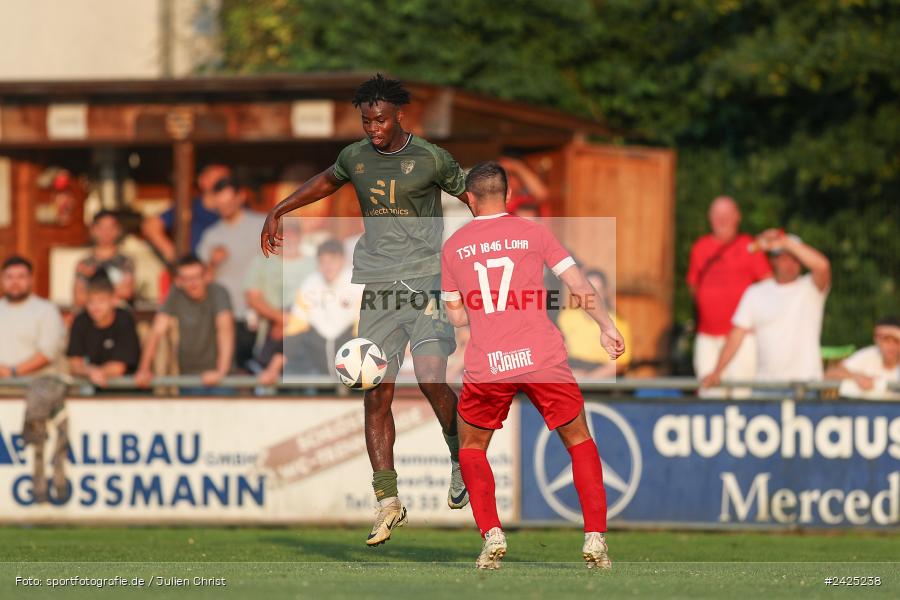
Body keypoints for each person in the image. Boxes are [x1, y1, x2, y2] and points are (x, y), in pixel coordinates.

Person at [260, 74, 470, 546]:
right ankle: (387, 501)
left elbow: (473, 197)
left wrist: (489, 247)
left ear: (399, 116)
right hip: (378, 287)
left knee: (431, 377)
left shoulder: (431, 158)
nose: (373, 128)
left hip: (426, 283)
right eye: (366, 121)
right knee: (374, 392)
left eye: (380, 120)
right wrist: (280, 209)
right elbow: (325, 181)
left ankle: (460, 456)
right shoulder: (354, 157)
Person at [441, 162, 625, 570]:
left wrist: (478, 310)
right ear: (507, 196)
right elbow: (578, 284)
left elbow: (456, 318)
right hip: (542, 357)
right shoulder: (534, 232)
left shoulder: (453, 247)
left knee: (471, 447)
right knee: (578, 439)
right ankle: (595, 537)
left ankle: (492, 533)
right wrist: (606, 326)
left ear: (469, 199)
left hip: (489, 362)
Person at [702, 230, 831, 387]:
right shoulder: (755, 293)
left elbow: (822, 266)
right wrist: (717, 371)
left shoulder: (810, 288)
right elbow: (736, 335)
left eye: (795, 259)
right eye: (785, 258)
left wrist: (784, 242)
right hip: (766, 386)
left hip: (805, 385)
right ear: (774, 260)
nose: (791, 264)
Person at [687, 196, 771, 382]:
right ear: (710, 218)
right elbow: (693, 285)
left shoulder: (750, 247)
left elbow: (768, 286)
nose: (722, 220)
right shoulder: (700, 247)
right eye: (717, 215)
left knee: (741, 391)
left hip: (742, 338)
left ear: (737, 217)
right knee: (707, 389)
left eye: (727, 215)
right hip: (707, 336)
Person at [135, 255, 234, 393]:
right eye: (186, 279)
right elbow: (156, 331)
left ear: (207, 276)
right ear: (178, 281)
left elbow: (225, 329)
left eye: (196, 277)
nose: (193, 283)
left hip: (221, 378)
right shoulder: (175, 294)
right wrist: (144, 369)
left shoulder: (218, 292)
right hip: (187, 377)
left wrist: (221, 372)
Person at [197, 177, 267, 371]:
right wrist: (212, 263)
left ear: (240, 197)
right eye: (220, 204)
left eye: (228, 202)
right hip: (226, 314)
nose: (224, 208)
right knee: (232, 369)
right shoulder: (211, 235)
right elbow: (201, 279)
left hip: (260, 312)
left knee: (260, 368)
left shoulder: (262, 224)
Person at [245, 217, 317, 382]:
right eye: (284, 235)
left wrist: (289, 321)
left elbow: (319, 297)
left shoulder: (313, 263)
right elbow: (252, 297)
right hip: (270, 330)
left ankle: (268, 366)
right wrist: (280, 319)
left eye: (294, 234)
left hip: (305, 332)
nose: (289, 239)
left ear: (300, 237)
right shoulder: (262, 261)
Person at [282, 239, 362, 376]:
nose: (328, 266)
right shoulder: (309, 285)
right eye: (323, 261)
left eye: (333, 260)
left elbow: (363, 330)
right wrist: (275, 366)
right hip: (317, 365)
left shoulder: (358, 286)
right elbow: (295, 329)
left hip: (354, 365)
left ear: (343, 260)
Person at [141, 164, 227, 263]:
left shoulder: (235, 211)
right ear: (202, 181)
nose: (220, 183)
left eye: (225, 179)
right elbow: (150, 226)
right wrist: (175, 256)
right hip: (196, 269)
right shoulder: (189, 207)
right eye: (215, 178)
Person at [67, 274, 141, 387]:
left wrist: (96, 373)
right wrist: (90, 372)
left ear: (114, 300)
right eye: (91, 302)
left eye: (101, 301)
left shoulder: (124, 319)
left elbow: (119, 368)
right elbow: (74, 365)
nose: (95, 307)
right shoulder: (80, 321)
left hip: (125, 390)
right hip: (90, 390)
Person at [558, 269, 632, 378]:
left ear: (604, 293)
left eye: (597, 291)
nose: (591, 295)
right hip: (572, 372)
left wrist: (588, 380)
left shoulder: (618, 323)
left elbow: (619, 364)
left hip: (602, 376)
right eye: (586, 290)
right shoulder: (566, 318)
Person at [0, 256, 65, 378]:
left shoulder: (47, 310)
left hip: (37, 385)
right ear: (2, 280)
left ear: (31, 280)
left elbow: (49, 353)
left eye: (21, 277)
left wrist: (13, 372)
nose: (15, 282)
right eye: (9, 277)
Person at [826, 317, 900, 399]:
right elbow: (831, 373)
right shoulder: (868, 355)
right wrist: (856, 377)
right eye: (885, 339)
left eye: (896, 340)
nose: (890, 345)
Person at [73, 210, 135, 308]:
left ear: (118, 230)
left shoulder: (125, 262)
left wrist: (93, 295)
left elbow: (126, 292)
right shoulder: (85, 264)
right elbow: (79, 297)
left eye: (110, 227)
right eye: (101, 227)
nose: (106, 232)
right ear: (93, 230)